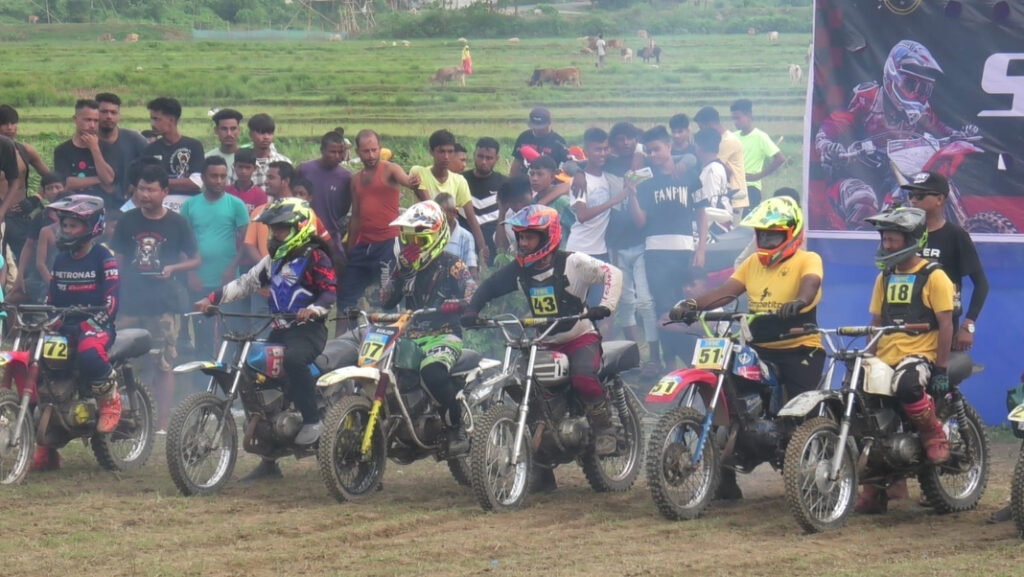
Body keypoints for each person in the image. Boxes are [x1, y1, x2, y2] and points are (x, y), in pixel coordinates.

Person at [670, 196, 825, 499]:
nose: (766, 240)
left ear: (791, 233)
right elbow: (725, 293)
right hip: (759, 348)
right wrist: (690, 305)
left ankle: (811, 477)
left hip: (799, 348)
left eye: (774, 235)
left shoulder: (808, 259)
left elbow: (811, 285)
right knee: (731, 398)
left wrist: (799, 303)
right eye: (762, 234)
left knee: (800, 415)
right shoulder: (752, 262)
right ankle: (724, 481)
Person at [462, 205, 623, 458]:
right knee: (529, 391)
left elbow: (612, 273)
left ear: (548, 236)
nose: (523, 243)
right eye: (521, 237)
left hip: (579, 337)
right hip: (544, 341)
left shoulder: (573, 262)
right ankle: (540, 468)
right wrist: (472, 310)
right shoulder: (520, 269)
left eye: (529, 237)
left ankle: (604, 429)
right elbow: (490, 287)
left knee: (583, 376)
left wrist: (606, 306)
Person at [195, 198, 336, 481]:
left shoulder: (316, 257)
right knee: (254, 376)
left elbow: (330, 291)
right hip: (279, 328)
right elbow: (246, 282)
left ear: (299, 226)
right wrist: (211, 299)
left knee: (293, 360)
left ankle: (311, 419)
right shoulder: (274, 260)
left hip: (308, 331)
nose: (276, 234)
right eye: (273, 229)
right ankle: (269, 460)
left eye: (282, 228)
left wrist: (314, 309)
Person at [813, 40, 976, 230]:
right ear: (893, 76)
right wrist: (828, 147)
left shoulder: (922, 109)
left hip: (897, 173)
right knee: (863, 199)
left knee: (914, 193)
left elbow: (939, 128)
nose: (917, 94)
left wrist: (958, 135)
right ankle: (862, 244)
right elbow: (832, 125)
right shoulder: (870, 97)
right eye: (910, 84)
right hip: (862, 170)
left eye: (923, 89)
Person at [854, 206, 954, 514]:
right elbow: (874, 321)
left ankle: (932, 432)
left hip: (920, 354)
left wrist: (940, 368)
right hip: (885, 354)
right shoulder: (883, 277)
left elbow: (946, 323)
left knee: (908, 385)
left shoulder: (933, 276)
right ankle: (875, 487)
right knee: (857, 398)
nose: (887, 245)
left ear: (911, 239)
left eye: (893, 240)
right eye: (885, 239)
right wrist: (866, 359)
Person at [32, 195, 120, 471]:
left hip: (98, 325)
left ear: (91, 226)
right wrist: (45, 319)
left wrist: (93, 323)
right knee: (41, 369)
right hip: (65, 326)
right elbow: (52, 297)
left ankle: (110, 400)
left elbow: (112, 301)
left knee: (89, 353)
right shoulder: (60, 259)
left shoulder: (104, 257)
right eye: (64, 225)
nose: (65, 231)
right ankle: (46, 450)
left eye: (72, 226)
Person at [381, 200, 476, 454]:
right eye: (408, 240)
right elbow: (386, 300)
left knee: (433, 372)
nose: (412, 247)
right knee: (387, 375)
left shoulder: (452, 263)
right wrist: (400, 271)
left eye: (419, 241)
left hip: (444, 335)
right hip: (409, 336)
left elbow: (472, 291)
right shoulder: (403, 267)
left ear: (435, 237)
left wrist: (458, 303)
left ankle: (455, 427)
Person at [112, 164, 200, 431]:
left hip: (163, 304)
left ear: (164, 191)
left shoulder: (177, 222)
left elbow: (196, 260)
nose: (145, 195)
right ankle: (120, 417)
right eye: (141, 189)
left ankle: (160, 423)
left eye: (151, 190)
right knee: (116, 360)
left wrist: (173, 268)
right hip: (129, 302)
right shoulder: (127, 221)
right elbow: (117, 260)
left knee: (163, 363)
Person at [628, 125, 709, 372]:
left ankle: (695, 360)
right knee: (664, 309)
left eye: (657, 149)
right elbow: (640, 221)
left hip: (685, 249)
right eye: (649, 151)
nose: (653, 155)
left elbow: (701, 213)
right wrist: (631, 195)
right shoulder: (644, 180)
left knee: (687, 307)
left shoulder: (690, 174)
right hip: (656, 252)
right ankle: (671, 365)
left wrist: (702, 248)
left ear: (669, 147)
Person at [339, 130, 421, 333]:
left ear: (380, 148)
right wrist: (348, 250)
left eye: (374, 150)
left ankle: (391, 343)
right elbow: (356, 216)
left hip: (387, 243)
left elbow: (407, 180)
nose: (371, 155)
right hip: (363, 246)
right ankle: (340, 343)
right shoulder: (355, 180)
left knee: (388, 298)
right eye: (366, 151)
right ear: (358, 151)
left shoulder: (390, 169)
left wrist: (413, 182)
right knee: (345, 296)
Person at [904, 171, 987, 347]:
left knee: (939, 374)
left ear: (940, 199)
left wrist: (968, 325)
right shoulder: (904, 235)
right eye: (911, 195)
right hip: (903, 329)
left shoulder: (956, 235)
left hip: (942, 329)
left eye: (919, 195)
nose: (913, 200)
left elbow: (981, 284)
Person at [179, 156, 249, 356]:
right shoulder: (190, 206)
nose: (219, 181)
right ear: (203, 178)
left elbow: (246, 241)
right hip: (199, 279)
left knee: (228, 329)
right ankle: (202, 377)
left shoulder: (236, 205)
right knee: (202, 330)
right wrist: (190, 274)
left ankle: (229, 374)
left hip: (227, 279)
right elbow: (183, 244)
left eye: (222, 176)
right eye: (214, 176)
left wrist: (231, 268)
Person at [566, 128, 627, 312]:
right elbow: (582, 215)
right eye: (597, 149)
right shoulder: (580, 181)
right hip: (579, 250)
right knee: (576, 307)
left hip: (600, 251)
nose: (602, 154)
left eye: (605, 149)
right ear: (587, 150)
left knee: (600, 307)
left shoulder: (606, 176)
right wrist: (613, 201)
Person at [410, 129, 488, 265]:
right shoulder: (419, 172)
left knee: (466, 239)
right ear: (431, 152)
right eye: (441, 151)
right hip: (423, 238)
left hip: (449, 237)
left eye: (450, 151)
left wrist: (483, 248)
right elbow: (432, 209)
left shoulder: (459, 181)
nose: (446, 156)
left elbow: (471, 217)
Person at [298, 130, 352, 267]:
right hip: (304, 235)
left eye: (341, 152)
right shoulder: (304, 169)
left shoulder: (346, 177)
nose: (337, 156)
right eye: (332, 152)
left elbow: (344, 208)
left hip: (331, 235)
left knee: (336, 268)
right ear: (322, 150)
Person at [52, 99, 119, 208]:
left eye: (96, 121)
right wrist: (99, 179)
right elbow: (67, 183)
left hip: (102, 206)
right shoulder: (62, 150)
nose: (92, 125)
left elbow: (109, 179)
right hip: (73, 206)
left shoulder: (107, 147)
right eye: (87, 120)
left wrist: (94, 149)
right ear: (75, 119)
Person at [11, 171, 65, 304]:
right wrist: (20, 276)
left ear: (65, 188)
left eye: (58, 187)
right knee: (10, 300)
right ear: (44, 193)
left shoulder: (78, 214)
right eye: (49, 188)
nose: (54, 191)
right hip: (41, 275)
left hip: (68, 275)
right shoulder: (40, 218)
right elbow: (29, 246)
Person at [730, 99, 786, 211]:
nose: (735, 122)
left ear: (749, 115)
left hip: (751, 188)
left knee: (746, 225)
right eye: (733, 118)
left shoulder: (760, 137)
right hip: (733, 186)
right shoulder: (732, 137)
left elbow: (780, 158)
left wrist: (758, 176)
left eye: (738, 118)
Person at [694, 106, 747, 216]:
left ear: (709, 125)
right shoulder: (722, 139)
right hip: (725, 197)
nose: (701, 131)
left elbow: (717, 165)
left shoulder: (725, 141)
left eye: (701, 127)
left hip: (731, 198)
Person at [143, 97, 204, 194]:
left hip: (188, 202)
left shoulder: (194, 146)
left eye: (156, 119)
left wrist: (160, 182)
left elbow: (196, 183)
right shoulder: (150, 150)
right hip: (160, 203)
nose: (152, 124)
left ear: (171, 120)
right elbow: (146, 183)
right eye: (151, 119)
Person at [95, 93, 148, 202]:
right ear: (95, 113)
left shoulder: (135, 139)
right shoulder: (87, 142)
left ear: (119, 115)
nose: (109, 116)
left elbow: (154, 166)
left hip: (130, 204)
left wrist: (137, 183)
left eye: (113, 112)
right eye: (104, 112)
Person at [462, 137, 505, 264]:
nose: (484, 162)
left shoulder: (504, 183)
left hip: (494, 247)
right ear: (474, 155)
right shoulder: (460, 180)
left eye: (489, 158)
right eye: (480, 156)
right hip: (465, 245)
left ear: (496, 159)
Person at [510, 107, 569, 178]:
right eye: (534, 126)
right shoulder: (524, 137)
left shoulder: (558, 141)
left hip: (548, 183)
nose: (537, 130)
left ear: (549, 123)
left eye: (541, 127)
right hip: (524, 182)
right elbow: (517, 161)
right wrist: (510, 181)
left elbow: (566, 167)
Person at [437, 192, 478, 279]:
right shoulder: (433, 234)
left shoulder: (466, 237)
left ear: (454, 212)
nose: (439, 217)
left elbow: (472, 271)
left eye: (443, 213)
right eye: (437, 213)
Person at [247, 113, 290, 188]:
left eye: (269, 133)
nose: (266, 137)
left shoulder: (284, 162)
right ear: (250, 135)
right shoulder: (241, 163)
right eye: (261, 133)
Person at [205, 108, 244, 185]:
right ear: (216, 130)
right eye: (224, 129)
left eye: (233, 129)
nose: (229, 133)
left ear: (239, 130)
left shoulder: (248, 158)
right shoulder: (207, 158)